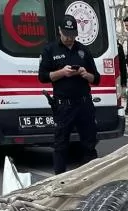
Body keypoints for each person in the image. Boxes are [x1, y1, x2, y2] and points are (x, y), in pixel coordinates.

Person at [38, 14, 100, 175]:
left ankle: (92, 177)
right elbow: (42, 77)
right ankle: (59, 179)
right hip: (64, 105)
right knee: (61, 144)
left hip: (84, 104)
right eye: (66, 34)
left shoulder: (83, 50)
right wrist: (62, 73)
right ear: (59, 30)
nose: (69, 38)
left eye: (72, 35)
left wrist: (86, 74)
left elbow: (97, 78)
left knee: (89, 144)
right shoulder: (50, 50)